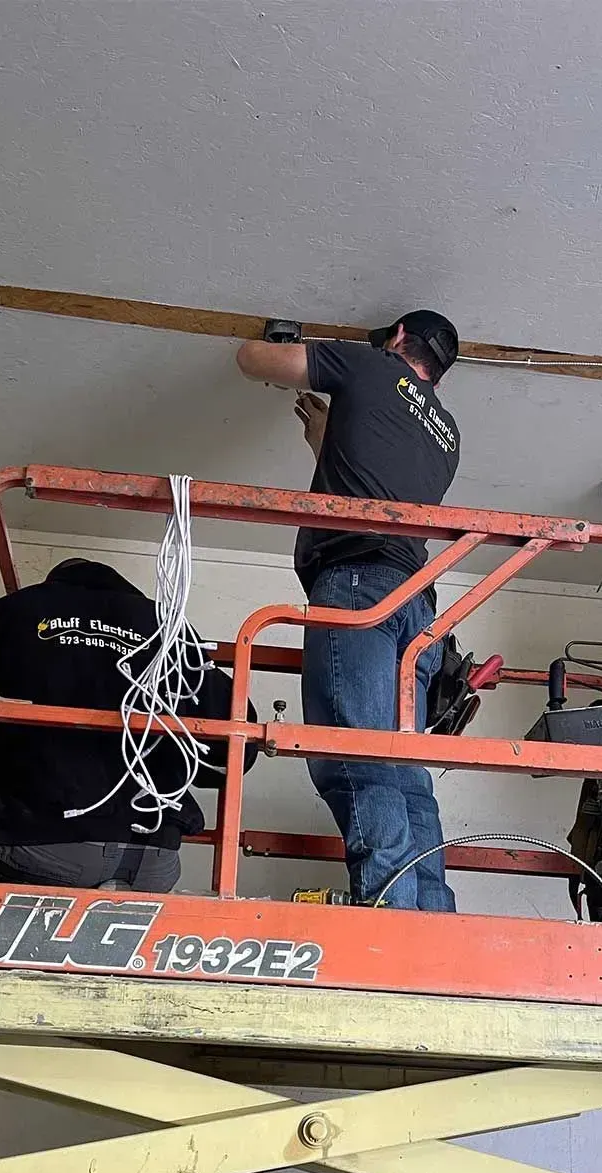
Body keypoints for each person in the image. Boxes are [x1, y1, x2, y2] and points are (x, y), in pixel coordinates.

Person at [236, 310, 462, 911]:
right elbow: (368, 479)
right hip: (417, 605)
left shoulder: (372, 366)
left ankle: (386, 906)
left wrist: (277, 346)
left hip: (359, 583)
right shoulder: (447, 433)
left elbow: (253, 361)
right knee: (405, 766)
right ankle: (429, 913)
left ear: (394, 340)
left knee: (356, 754)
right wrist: (328, 437)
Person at [0, 557, 248, 891]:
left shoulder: (15, 612)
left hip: (41, 845)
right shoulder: (168, 625)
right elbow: (233, 751)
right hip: (153, 858)